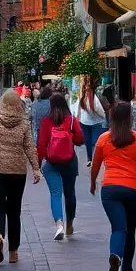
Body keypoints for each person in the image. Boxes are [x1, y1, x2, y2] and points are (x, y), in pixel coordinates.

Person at [91, 100, 136, 271]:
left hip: (110, 190)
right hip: (134, 190)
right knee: (130, 231)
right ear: (130, 118)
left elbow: (95, 165)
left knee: (119, 228)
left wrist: (92, 182)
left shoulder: (103, 138)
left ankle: (115, 255)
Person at [0, 88, 41, 263]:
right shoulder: (24, 124)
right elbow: (29, 146)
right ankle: (13, 252)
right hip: (17, 171)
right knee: (14, 212)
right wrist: (36, 169)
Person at [37, 91, 84, 240]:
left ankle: (59, 224)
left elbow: (41, 144)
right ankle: (70, 223)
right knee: (70, 194)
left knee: (55, 194)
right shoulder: (71, 120)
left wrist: (38, 163)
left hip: (52, 163)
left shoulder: (46, 121)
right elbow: (80, 139)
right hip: (69, 162)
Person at [73, 77, 108, 165]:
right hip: (85, 122)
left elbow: (99, 110)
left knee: (94, 141)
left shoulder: (94, 99)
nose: (87, 92)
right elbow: (77, 109)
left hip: (94, 123)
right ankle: (90, 158)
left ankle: (95, 158)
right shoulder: (82, 99)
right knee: (88, 141)